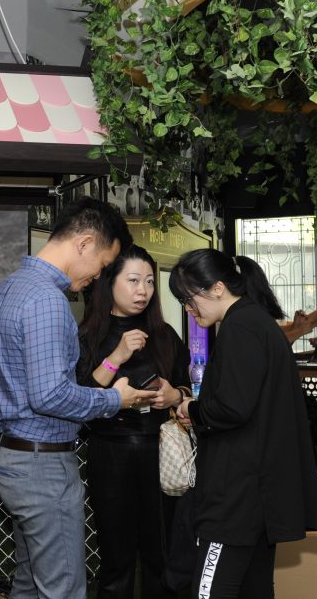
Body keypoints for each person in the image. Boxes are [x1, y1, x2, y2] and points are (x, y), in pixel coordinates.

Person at [0, 197, 157, 599]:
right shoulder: (47, 300)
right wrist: (115, 400)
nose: (97, 277)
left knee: (29, 584)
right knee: (62, 589)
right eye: (102, 265)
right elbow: (49, 395)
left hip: (13, 455)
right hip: (41, 464)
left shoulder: (10, 287)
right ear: (84, 244)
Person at [171, 249, 317, 598]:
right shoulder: (256, 321)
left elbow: (233, 407)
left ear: (217, 288)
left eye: (189, 298)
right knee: (254, 588)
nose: (188, 309)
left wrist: (193, 409)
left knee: (209, 591)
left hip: (238, 492)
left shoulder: (240, 326)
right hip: (260, 490)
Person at [77, 244, 191, 599]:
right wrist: (118, 355)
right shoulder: (89, 336)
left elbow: (184, 387)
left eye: (149, 281)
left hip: (161, 452)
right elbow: (80, 397)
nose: (143, 290)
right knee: (116, 558)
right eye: (133, 280)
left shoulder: (165, 334)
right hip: (110, 452)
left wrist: (174, 396)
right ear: (110, 282)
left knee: (162, 555)